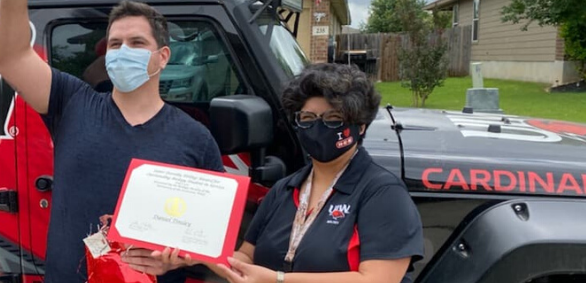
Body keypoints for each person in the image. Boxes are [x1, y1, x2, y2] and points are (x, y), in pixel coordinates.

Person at [0, 0, 226, 283]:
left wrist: (178, 260)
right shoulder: (72, 103)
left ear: (162, 57)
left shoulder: (195, 138)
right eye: (115, 44)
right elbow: (11, 56)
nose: (122, 51)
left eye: (136, 42)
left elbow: (212, 239)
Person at [160, 63, 424, 283]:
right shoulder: (285, 189)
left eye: (333, 119)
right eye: (307, 119)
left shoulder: (383, 193)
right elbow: (245, 259)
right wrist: (198, 253)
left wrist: (278, 279)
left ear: (360, 126)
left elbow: (377, 279)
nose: (318, 128)